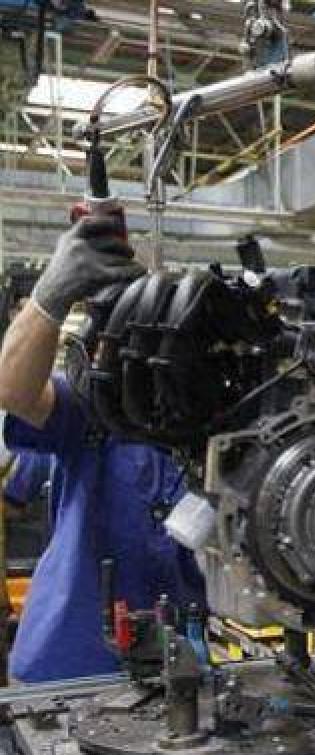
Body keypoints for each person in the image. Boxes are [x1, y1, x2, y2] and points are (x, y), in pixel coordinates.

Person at [0, 217, 206, 682]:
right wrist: (50, 296)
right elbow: (13, 391)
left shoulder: (211, 427)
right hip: (69, 664)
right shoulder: (91, 408)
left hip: (180, 669)